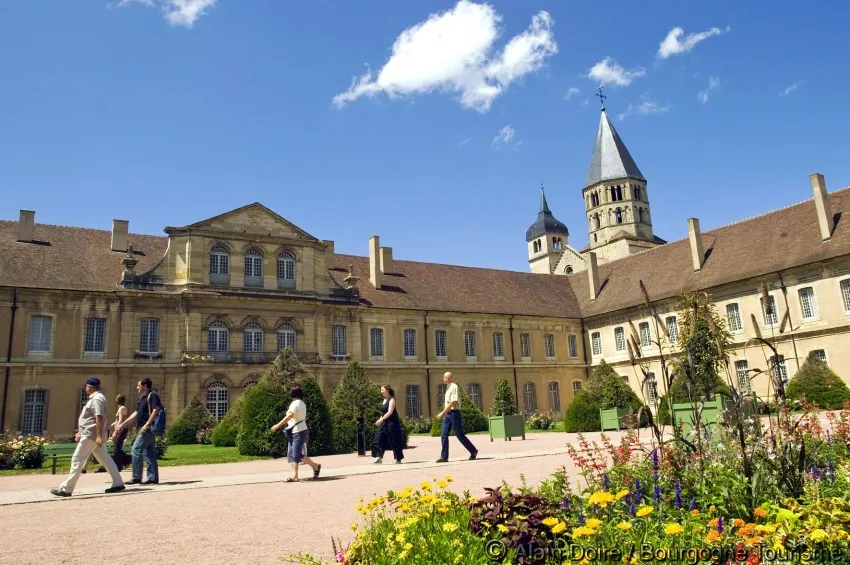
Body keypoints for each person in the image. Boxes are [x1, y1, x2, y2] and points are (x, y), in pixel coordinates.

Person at [50, 378, 125, 497]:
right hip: (91, 434)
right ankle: (118, 483)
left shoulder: (97, 398)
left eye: (86, 386)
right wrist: (81, 432)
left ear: (89, 386)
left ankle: (66, 489)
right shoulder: (96, 398)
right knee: (105, 459)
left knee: (77, 458)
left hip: (92, 435)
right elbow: (90, 418)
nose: (85, 388)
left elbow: (99, 417)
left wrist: (99, 436)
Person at [270, 386, 322, 482]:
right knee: (291, 454)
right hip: (297, 431)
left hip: (298, 431)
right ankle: (298, 474)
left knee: (296, 454)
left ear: (293, 394)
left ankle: (313, 467)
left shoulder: (295, 403)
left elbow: (289, 416)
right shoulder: (301, 403)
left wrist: (277, 425)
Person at [116, 378, 162, 485]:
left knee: (135, 450)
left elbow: (156, 409)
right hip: (145, 428)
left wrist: (147, 424)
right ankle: (152, 478)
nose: (137, 387)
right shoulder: (143, 399)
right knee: (149, 454)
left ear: (145, 386)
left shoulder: (152, 395)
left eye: (138, 385)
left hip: (147, 429)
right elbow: (135, 413)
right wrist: (123, 424)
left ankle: (136, 477)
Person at [435, 372, 478, 463]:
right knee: (444, 434)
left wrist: (442, 413)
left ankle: (473, 451)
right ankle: (444, 457)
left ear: (449, 378)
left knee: (459, 435)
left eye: (445, 377)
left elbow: (453, 403)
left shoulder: (454, 387)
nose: (443, 379)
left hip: (454, 413)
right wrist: (445, 413)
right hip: (448, 414)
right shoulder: (448, 388)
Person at [371, 384, 404, 464]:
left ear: (387, 390)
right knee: (379, 438)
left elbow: (390, 412)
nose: (381, 391)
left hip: (392, 423)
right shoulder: (384, 400)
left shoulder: (392, 399)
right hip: (385, 422)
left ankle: (398, 459)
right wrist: (379, 419)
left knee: (394, 440)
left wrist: (381, 420)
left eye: (382, 389)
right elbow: (383, 412)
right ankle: (378, 457)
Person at [109, 394, 131, 470]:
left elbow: (121, 420)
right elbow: (118, 420)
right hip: (120, 429)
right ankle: (127, 460)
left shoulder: (122, 408)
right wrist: (112, 425)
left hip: (121, 429)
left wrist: (115, 431)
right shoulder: (121, 408)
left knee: (116, 448)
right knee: (117, 448)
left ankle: (119, 465)